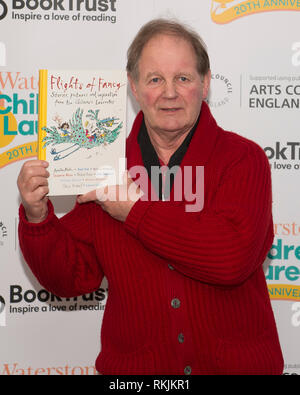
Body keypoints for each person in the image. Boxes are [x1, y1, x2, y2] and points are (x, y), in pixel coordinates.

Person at [17, 19, 284, 375]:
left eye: (183, 78)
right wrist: (38, 218)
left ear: (205, 84)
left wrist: (134, 213)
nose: (169, 92)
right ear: (134, 86)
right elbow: (73, 278)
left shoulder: (242, 159)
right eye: (155, 79)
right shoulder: (103, 163)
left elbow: (231, 258)